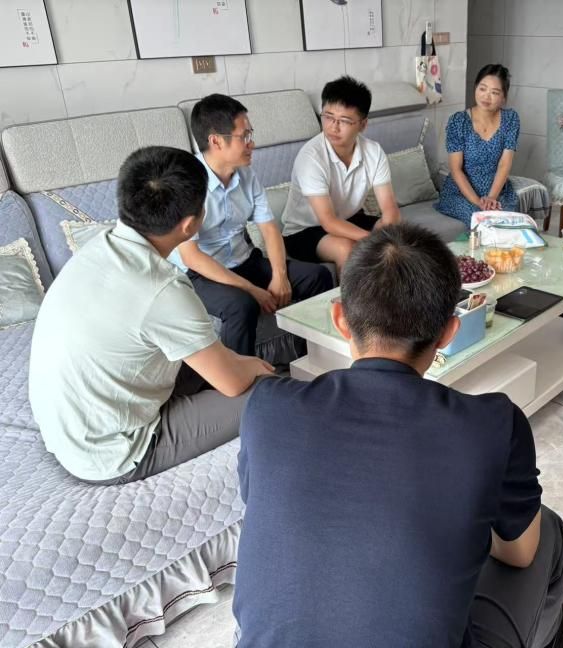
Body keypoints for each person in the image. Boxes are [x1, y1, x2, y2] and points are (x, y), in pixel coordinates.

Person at [234, 224, 563, 648]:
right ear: (449, 332)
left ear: (340, 319)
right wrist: (454, 524)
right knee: (549, 532)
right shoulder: (494, 423)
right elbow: (519, 553)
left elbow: (269, 506)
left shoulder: (266, 407)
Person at [29, 146, 275, 484]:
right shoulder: (164, 289)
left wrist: (240, 362)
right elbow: (232, 383)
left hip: (71, 427)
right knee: (269, 389)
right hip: (113, 451)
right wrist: (254, 367)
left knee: (228, 359)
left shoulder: (98, 247)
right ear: (190, 225)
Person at [173, 93, 333, 357]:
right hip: (200, 273)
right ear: (216, 141)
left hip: (244, 260)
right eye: (244, 136)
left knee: (317, 277)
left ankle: (317, 357)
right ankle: (243, 377)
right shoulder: (187, 183)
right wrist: (251, 290)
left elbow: (269, 229)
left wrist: (280, 276)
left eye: (250, 134)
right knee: (241, 305)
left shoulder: (247, 175)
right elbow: (191, 257)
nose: (252, 143)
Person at [282, 76, 401, 273]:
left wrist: (387, 228)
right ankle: (349, 295)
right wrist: (373, 240)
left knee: (398, 234)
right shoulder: (311, 157)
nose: (333, 127)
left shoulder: (374, 151)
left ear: (363, 124)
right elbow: (328, 222)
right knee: (346, 249)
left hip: (348, 219)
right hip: (304, 231)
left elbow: (389, 208)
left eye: (344, 121)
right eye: (328, 117)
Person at [435, 63, 520, 227]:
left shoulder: (511, 119)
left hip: (495, 192)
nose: (486, 97)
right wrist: (479, 202)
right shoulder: (458, 121)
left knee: (507, 222)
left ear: (503, 97)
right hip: (461, 193)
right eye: (482, 89)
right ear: (475, 88)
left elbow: (504, 164)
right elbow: (456, 169)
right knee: (481, 220)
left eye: (494, 92)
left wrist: (491, 198)